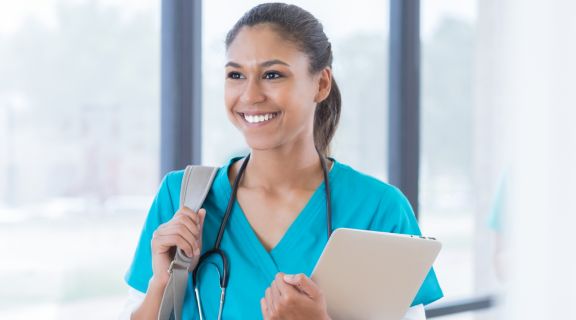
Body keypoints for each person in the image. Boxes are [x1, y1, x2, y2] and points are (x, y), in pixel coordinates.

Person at [121, 3, 443, 319]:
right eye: (236, 75)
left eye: (272, 75)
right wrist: (162, 283)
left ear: (321, 83)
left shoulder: (379, 210)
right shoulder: (183, 198)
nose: (250, 95)